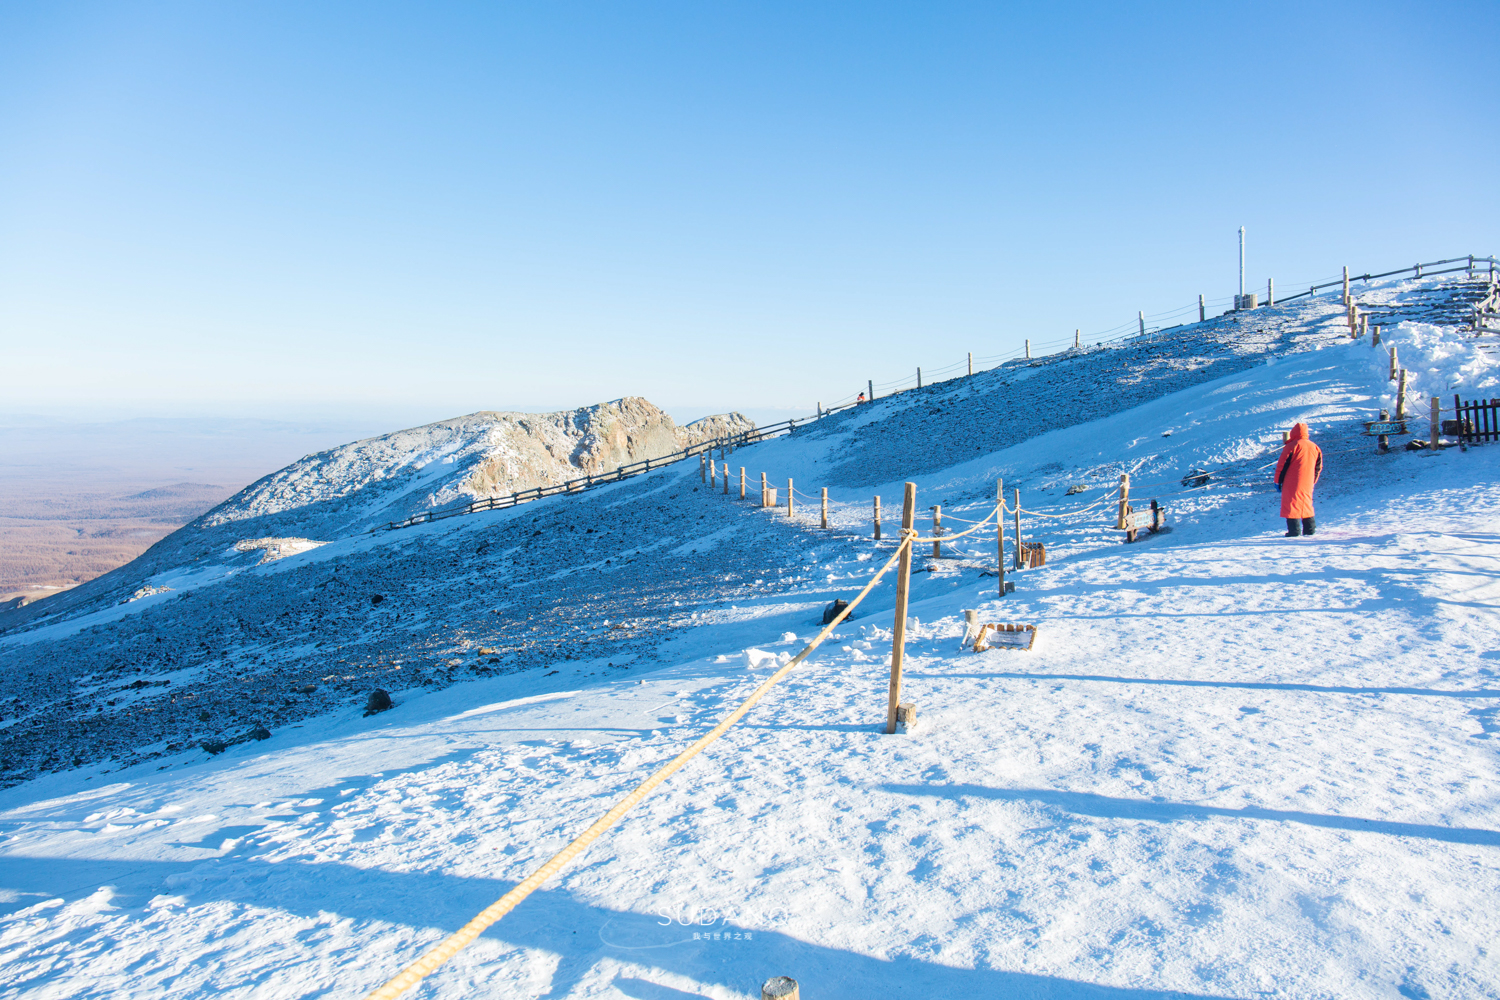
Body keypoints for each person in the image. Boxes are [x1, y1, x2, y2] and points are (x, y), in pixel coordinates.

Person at [1274, 422, 1323, 536]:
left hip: (1291, 481)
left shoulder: (1291, 446)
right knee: (1306, 503)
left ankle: (1294, 531)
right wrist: (1313, 480)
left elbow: (1282, 466)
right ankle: (1310, 529)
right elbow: (1318, 466)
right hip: (1308, 481)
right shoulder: (1314, 447)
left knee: (1291, 504)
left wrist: (1277, 481)